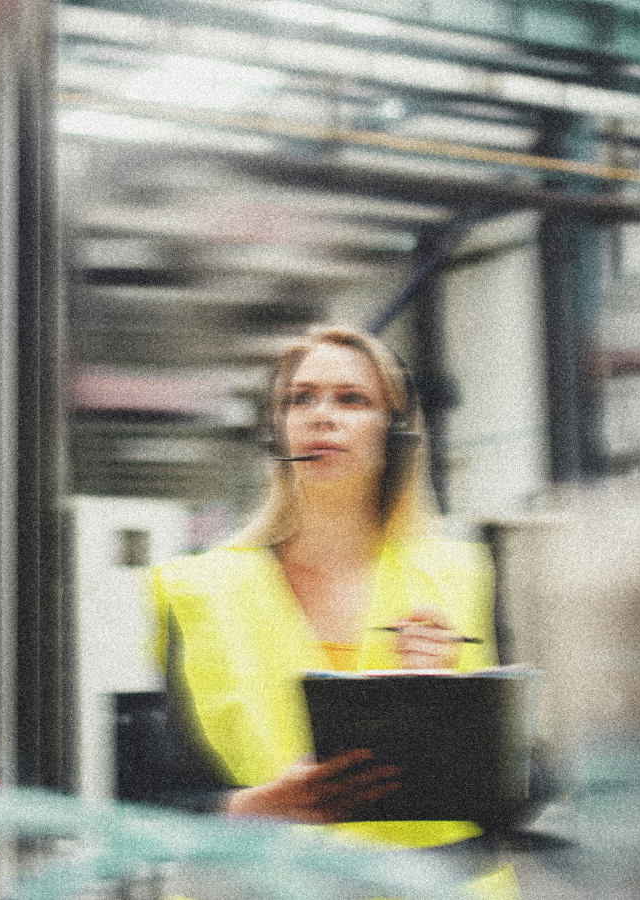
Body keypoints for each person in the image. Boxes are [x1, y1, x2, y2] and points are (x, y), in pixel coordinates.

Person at [148, 325, 516, 898]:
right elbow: (149, 795)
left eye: (352, 399)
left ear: (393, 435)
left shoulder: (464, 577)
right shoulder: (199, 589)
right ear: (280, 430)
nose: (323, 416)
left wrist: (456, 706)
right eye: (302, 398)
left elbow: (528, 787)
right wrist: (253, 807)